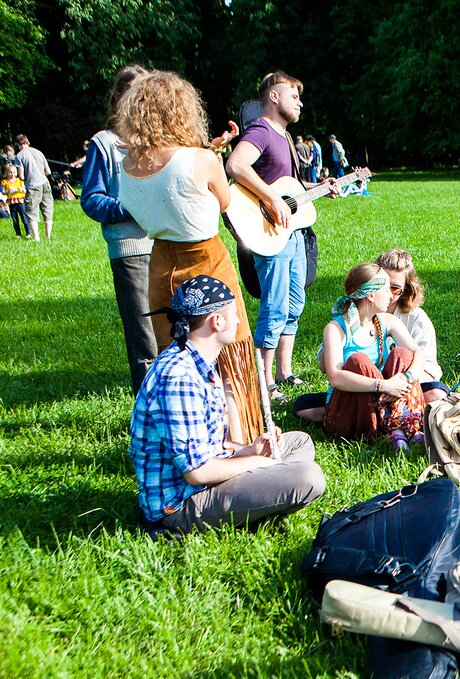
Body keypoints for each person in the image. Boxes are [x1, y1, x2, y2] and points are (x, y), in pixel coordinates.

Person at [115, 69, 263, 445]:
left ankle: (190, 438)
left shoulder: (127, 166)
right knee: (231, 354)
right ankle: (240, 438)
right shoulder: (200, 159)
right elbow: (225, 201)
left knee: (179, 357)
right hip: (206, 260)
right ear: (182, 110)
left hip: (160, 265)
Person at [130, 275, 325, 535]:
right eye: (234, 314)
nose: (237, 320)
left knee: (300, 442)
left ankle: (261, 502)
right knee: (308, 478)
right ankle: (259, 507)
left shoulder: (199, 361)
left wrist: (248, 450)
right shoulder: (179, 379)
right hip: (180, 505)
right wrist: (258, 462)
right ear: (217, 322)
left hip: (205, 480)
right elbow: (197, 472)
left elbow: (210, 445)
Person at [227, 72, 332, 396]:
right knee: (274, 305)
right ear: (273, 96)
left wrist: (321, 188)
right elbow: (236, 165)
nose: (299, 102)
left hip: (293, 231)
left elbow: (288, 188)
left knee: (294, 302)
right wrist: (272, 199)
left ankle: (284, 372)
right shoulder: (261, 130)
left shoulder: (285, 137)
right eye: (293, 96)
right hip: (269, 233)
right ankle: (264, 380)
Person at [81, 64, 159, 392]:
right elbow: (91, 199)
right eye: (137, 93)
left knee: (170, 327)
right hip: (131, 251)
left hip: (166, 245)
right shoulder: (104, 143)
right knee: (144, 337)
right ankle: (149, 410)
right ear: (120, 98)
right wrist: (128, 209)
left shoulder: (156, 140)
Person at [293, 263, 430, 447]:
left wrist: (406, 378)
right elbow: (335, 377)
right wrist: (384, 385)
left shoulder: (387, 321)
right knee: (358, 362)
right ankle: (391, 428)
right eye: (386, 289)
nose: (391, 295)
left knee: (403, 354)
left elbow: (417, 353)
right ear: (371, 295)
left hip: (382, 400)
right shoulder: (337, 328)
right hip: (352, 411)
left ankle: (399, 427)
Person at [377, 248, 448, 399]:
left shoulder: (417, 318)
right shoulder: (359, 312)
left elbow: (428, 369)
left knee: (437, 395)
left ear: (406, 289)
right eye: (381, 285)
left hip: (408, 382)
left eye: (394, 288)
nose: (387, 293)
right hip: (370, 382)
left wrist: (402, 383)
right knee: (314, 410)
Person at [12, 134, 51, 241]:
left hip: (33, 186)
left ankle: (36, 238)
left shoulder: (19, 156)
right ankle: (48, 237)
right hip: (45, 184)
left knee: (31, 212)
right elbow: (48, 172)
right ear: (27, 142)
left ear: (18, 144)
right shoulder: (39, 152)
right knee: (47, 210)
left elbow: (21, 176)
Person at [2, 165, 31, 238]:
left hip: (20, 202)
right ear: (7, 173)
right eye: (10, 172)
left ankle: (28, 233)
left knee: (24, 218)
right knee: (15, 220)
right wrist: (8, 191)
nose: (12, 174)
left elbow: (24, 190)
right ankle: (18, 234)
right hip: (12, 203)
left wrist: (19, 189)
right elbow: (3, 192)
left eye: (14, 172)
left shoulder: (19, 181)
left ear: (17, 173)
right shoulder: (4, 182)